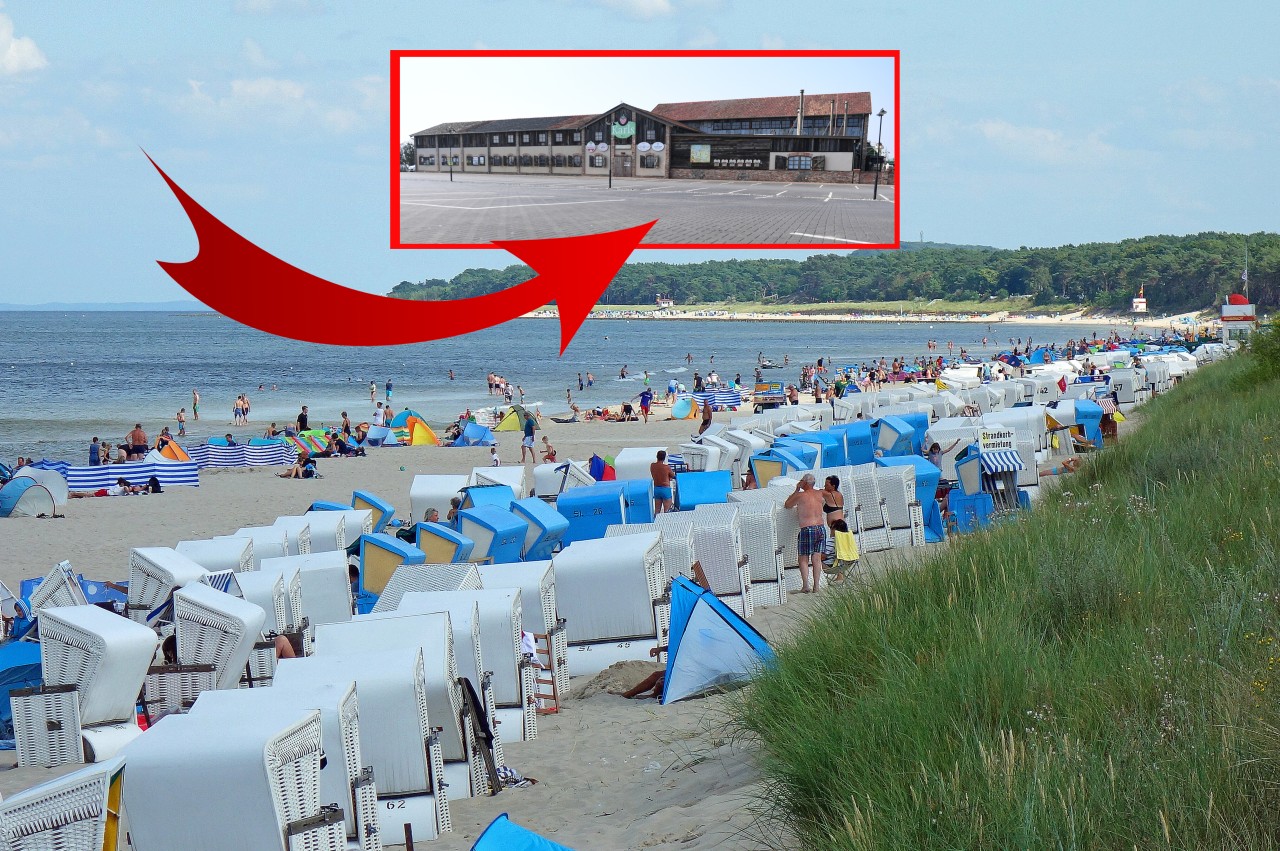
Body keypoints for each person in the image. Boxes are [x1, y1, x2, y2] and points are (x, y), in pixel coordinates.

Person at [783, 473, 826, 593]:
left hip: (807, 528)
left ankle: (806, 585)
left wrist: (797, 489)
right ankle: (816, 586)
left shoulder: (801, 495)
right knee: (817, 558)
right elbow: (822, 503)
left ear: (804, 483)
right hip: (820, 527)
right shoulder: (819, 494)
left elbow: (787, 504)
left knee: (803, 559)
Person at [651, 450, 674, 514]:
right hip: (665, 489)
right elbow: (673, 476)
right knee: (667, 511)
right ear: (664, 458)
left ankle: (656, 523)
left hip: (656, 489)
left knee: (657, 511)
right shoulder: (666, 467)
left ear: (657, 456)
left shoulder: (652, 466)